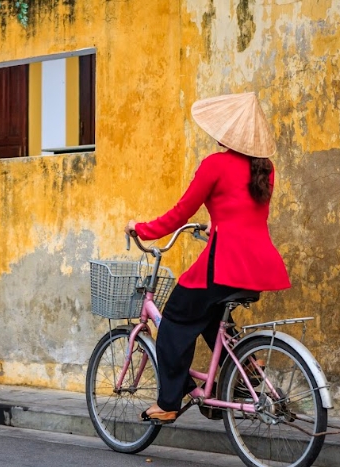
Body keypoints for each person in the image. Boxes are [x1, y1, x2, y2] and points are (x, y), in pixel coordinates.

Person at [124, 92, 291, 423]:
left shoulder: (215, 164)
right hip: (259, 265)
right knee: (213, 323)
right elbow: (242, 210)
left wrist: (141, 229)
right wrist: (215, 223)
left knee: (174, 320)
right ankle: (238, 383)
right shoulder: (265, 169)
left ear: (227, 133)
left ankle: (169, 403)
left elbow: (180, 212)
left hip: (225, 263)